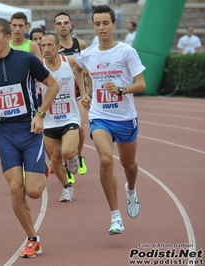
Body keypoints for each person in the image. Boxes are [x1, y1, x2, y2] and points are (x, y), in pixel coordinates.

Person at [0, 18, 59, 259]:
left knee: (34, 192)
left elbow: (52, 85)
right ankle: (33, 239)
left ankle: (42, 167)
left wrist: (41, 114)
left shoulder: (27, 60)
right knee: (15, 190)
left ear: (8, 37)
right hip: (6, 135)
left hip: (30, 132)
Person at [76, 5, 146, 235]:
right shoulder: (89, 54)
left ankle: (132, 191)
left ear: (114, 25)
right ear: (93, 25)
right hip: (100, 117)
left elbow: (141, 84)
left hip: (125, 118)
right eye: (97, 23)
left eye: (106, 23)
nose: (102, 27)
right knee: (106, 160)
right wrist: (84, 92)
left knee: (129, 165)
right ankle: (115, 216)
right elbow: (76, 67)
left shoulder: (126, 51)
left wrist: (121, 89)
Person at [40, 33, 84, 202]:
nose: (46, 49)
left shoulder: (70, 62)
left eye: (50, 45)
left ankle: (73, 158)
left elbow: (82, 73)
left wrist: (85, 92)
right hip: (49, 121)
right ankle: (66, 187)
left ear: (58, 47)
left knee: (67, 152)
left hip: (69, 117)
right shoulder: (39, 67)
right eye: (43, 46)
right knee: (55, 161)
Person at [54, 12, 89, 181]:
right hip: (59, 96)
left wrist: (87, 91)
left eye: (65, 22)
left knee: (80, 128)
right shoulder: (52, 47)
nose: (62, 25)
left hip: (77, 93)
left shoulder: (80, 44)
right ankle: (65, 165)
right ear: (55, 27)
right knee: (60, 133)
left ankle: (78, 156)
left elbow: (87, 68)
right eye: (59, 23)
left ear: (70, 25)